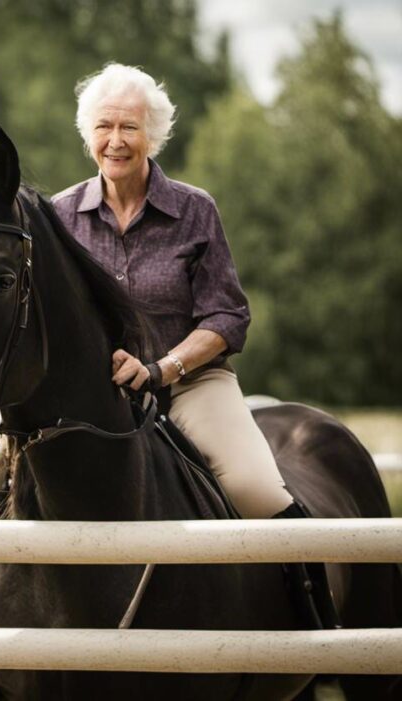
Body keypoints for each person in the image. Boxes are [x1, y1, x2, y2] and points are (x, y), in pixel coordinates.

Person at [51, 63, 338, 629]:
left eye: (129, 128)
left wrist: (162, 367)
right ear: (88, 136)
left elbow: (229, 315)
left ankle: (317, 628)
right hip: (93, 400)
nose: (115, 141)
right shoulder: (60, 216)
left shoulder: (194, 210)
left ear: (152, 136)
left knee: (257, 489)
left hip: (192, 384)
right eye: (104, 127)